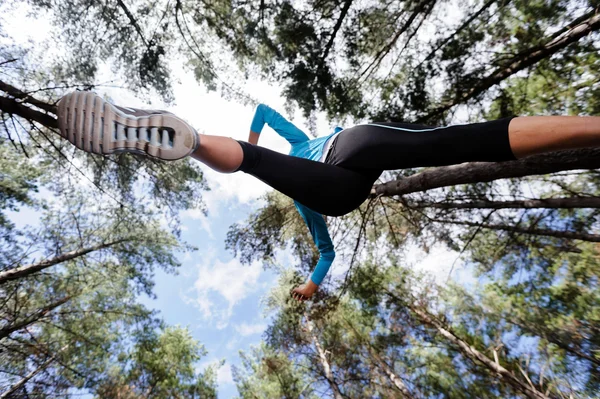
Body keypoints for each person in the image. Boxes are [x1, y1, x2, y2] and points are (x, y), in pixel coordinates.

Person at [56, 91, 600, 302]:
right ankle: (195, 140)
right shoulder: (303, 182)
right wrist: (254, 136)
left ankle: (195, 143)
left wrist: (312, 283)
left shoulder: (302, 196)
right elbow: (268, 111)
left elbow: (327, 252)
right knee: (455, 143)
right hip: (350, 150)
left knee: (253, 162)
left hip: (335, 186)